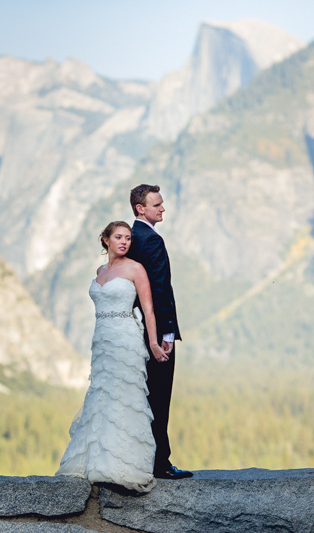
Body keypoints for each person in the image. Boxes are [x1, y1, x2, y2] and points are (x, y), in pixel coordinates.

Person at [56, 221, 170, 492]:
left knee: (125, 396)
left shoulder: (136, 269)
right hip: (102, 341)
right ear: (105, 240)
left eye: (128, 238)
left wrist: (153, 343)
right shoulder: (100, 270)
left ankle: (127, 464)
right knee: (102, 394)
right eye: (118, 237)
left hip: (125, 338)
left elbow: (148, 309)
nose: (124, 242)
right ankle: (98, 461)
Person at [126, 184, 192, 480]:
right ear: (141, 208)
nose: (162, 208)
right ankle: (160, 464)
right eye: (157, 205)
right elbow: (160, 291)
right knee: (159, 397)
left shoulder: (129, 238)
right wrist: (166, 335)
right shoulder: (151, 240)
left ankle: (140, 458)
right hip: (156, 331)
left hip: (133, 329)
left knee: (141, 397)